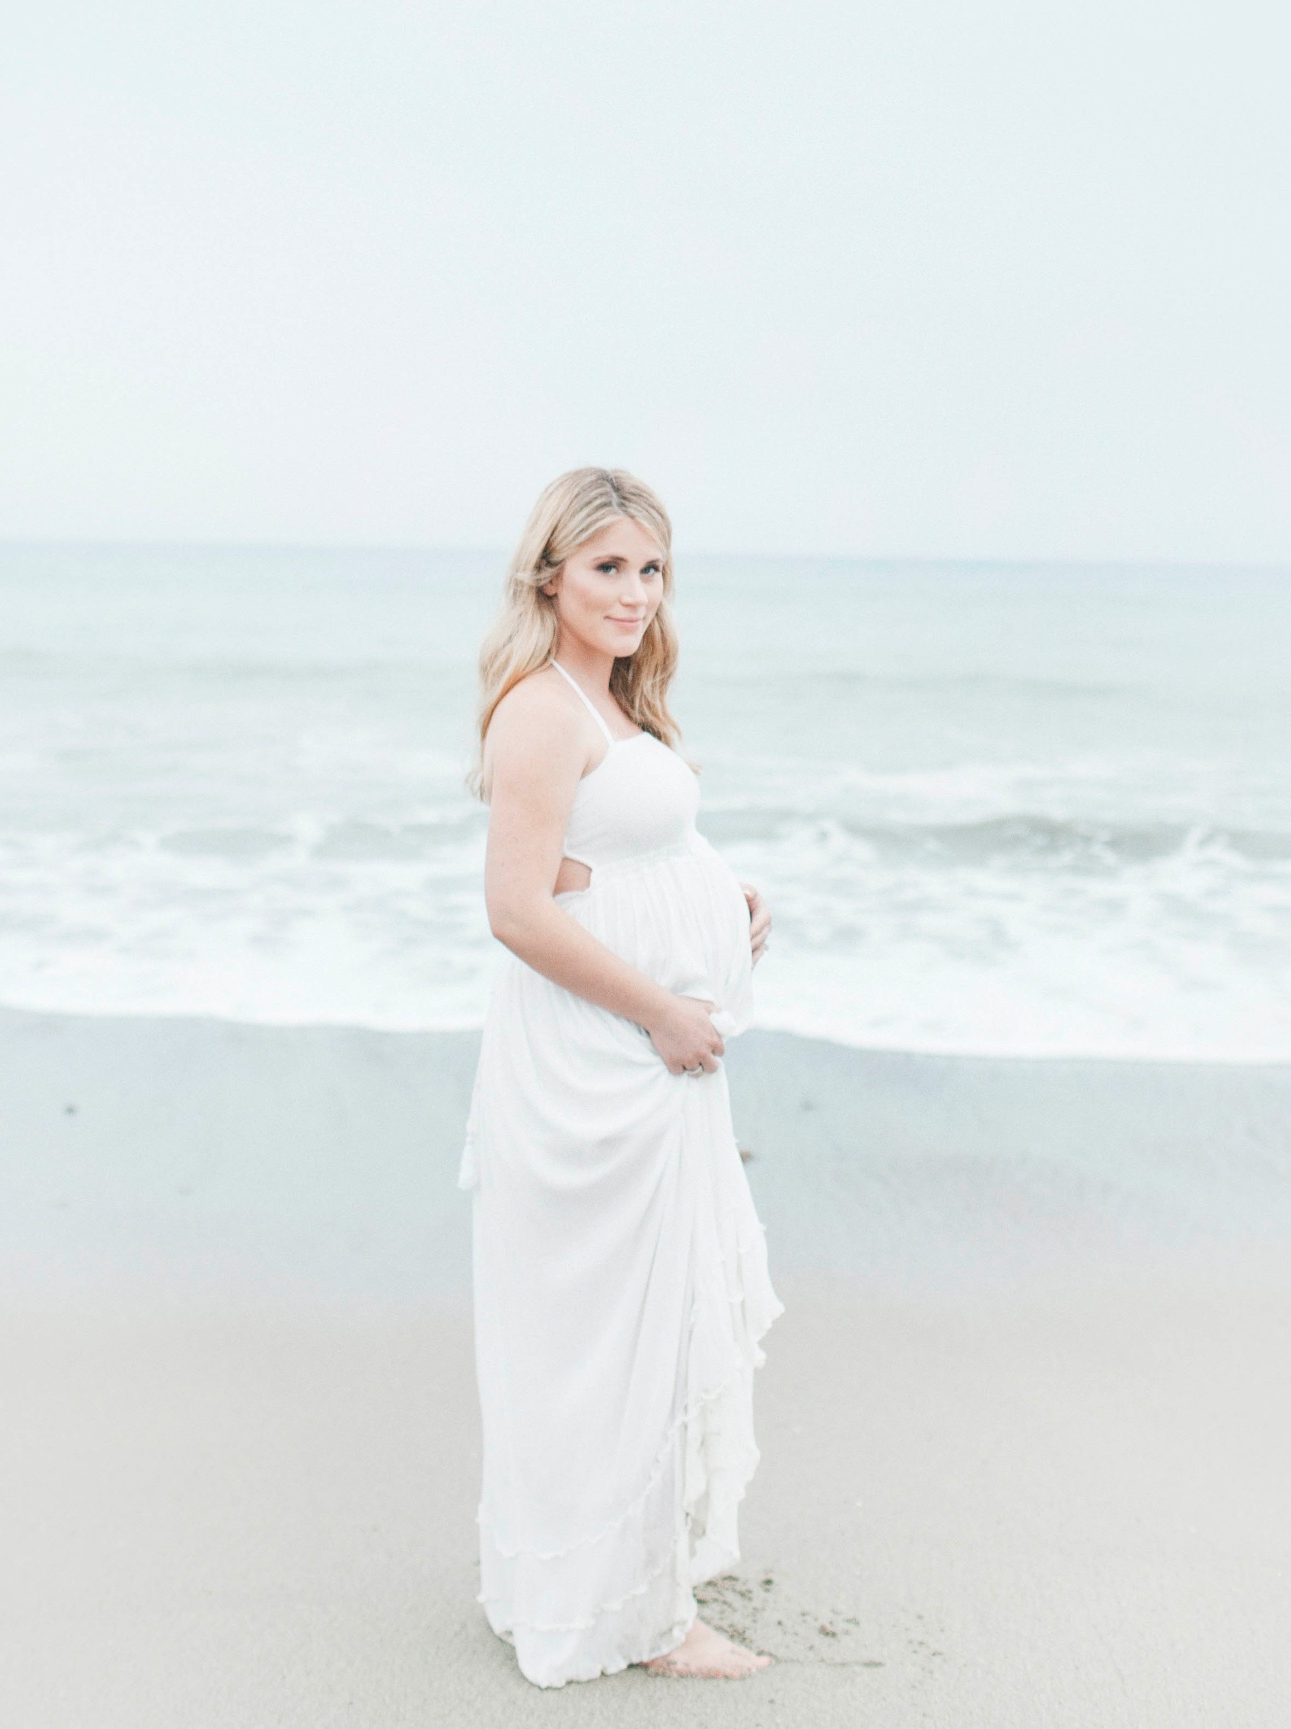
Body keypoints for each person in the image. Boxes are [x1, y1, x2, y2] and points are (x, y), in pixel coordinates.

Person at [460, 467, 782, 1687]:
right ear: (549, 573)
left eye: (649, 568)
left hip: (638, 1058)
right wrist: (661, 1010)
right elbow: (514, 908)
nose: (633, 591)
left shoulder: (618, 702)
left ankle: (611, 1588)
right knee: (604, 1337)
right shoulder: (541, 710)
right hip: (600, 1067)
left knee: (634, 1328)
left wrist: (724, 893)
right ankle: (636, 1619)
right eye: (606, 567)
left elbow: (627, 850)